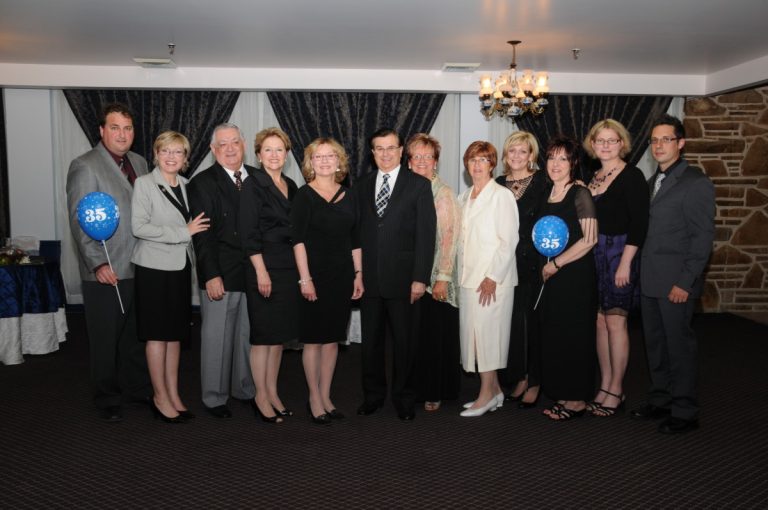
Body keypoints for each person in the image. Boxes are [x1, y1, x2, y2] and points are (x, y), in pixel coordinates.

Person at [66, 102, 152, 422]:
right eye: (114, 127)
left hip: (139, 264)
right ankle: (107, 396)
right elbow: (79, 218)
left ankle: (135, 388)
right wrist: (96, 264)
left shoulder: (140, 163)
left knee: (133, 335)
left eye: (128, 128)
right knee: (105, 337)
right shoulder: (85, 165)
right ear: (101, 131)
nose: (122, 134)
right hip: (106, 269)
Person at [631, 114, 715, 434]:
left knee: (679, 348)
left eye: (666, 139)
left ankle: (684, 411)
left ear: (681, 143)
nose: (658, 145)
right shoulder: (654, 181)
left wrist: (685, 281)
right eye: (654, 140)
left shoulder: (695, 182)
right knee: (655, 345)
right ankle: (660, 400)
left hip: (677, 284)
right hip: (651, 280)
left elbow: (702, 238)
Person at [355, 128, 436, 422]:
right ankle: (373, 396)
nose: (386, 154)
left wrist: (420, 278)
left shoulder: (418, 186)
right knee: (370, 345)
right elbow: (358, 232)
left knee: (405, 344)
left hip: (405, 279)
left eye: (391, 148)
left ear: (401, 151)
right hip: (370, 280)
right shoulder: (362, 185)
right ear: (372, 152)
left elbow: (427, 237)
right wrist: (357, 274)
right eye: (379, 148)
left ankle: (404, 399)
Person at [131, 131, 209, 423]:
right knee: (157, 335)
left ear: (186, 158)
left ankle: (174, 394)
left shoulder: (189, 186)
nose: (171, 157)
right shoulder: (144, 184)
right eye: (165, 151)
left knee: (175, 335)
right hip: (152, 269)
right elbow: (139, 227)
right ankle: (159, 396)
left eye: (178, 152)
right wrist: (183, 233)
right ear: (156, 154)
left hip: (179, 268)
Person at [292, 137, 364, 424]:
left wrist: (359, 274)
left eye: (329, 156)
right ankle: (314, 397)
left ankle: (326, 395)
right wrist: (304, 279)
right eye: (318, 157)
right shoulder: (303, 195)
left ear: (338, 162)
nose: (324, 161)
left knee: (333, 339)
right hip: (314, 277)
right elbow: (297, 242)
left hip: (342, 276)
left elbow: (355, 239)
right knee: (313, 340)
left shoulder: (350, 195)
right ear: (310, 163)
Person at [187, 123, 256, 419]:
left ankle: (244, 389)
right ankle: (214, 398)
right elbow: (201, 236)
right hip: (220, 272)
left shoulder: (257, 177)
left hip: (252, 273)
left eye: (235, 143)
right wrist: (210, 275)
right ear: (213, 150)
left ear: (243, 145)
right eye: (223, 144)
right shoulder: (202, 183)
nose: (230, 149)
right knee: (217, 337)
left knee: (246, 336)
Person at [582, 119, 650, 417]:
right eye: (600, 141)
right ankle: (605, 383)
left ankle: (617, 389)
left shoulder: (632, 176)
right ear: (593, 145)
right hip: (594, 255)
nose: (606, 145)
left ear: (622, 143)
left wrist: (625, 264)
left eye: (612, 140)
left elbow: (640, 224)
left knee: (616, 323)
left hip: (619, 255)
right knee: (599, 322)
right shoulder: (593, 176)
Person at [240, 127, 299, 424]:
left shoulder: (291, 184)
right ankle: (260, 396)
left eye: (279, 150)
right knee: (263, 337)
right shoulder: (253, 185)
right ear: (259, 155)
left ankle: (273, 392)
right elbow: (249, 235)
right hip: (263, 269)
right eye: (268, 150)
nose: (274, 155)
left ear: (287, 154)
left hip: (288, 269)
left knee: (278, 338)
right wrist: (261, 272)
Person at [456, 141, 519, 417]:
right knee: (474, 339)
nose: (477, 165)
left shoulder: (501, 195)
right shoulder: (463, 196)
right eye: (472, 160)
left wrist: (492, 276)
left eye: (483, 160)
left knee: (488, 339)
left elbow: (509, 240)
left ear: (492, 164)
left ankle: (485, 396)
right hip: (468, 279)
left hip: (492, 280)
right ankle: (494, 392)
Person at [538, 135, 598, 422]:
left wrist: (557, 264)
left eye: (563, 158)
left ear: (574, 163)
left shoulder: (579, 193)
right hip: (553, 277)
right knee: (557, 335)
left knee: (575, 335)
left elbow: (590, 239)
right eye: (552, 158)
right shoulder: (549, 192)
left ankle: (576, 400)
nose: (556, 164)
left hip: (574, 275)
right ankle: (564, 392)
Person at [406, 134, 461, 412]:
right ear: (409, 161)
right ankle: (413, 388)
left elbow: (450, 239)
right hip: (410, 276)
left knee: (434, 338)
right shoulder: (405, 190)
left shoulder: (444, 193)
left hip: (436, 280)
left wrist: (442, 277)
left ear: (436, 162)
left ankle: (435, 391)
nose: (422, 161)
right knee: (412, 338)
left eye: (427, 157)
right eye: (416, 156)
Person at [495, 131, 548, 409]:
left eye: (523, 151)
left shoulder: (542, 182)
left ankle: (535, 379)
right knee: (511, 324)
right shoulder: (498, 183)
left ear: (532, 155)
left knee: (531, 323)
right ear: (505, 155)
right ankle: (518, 376)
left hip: (532, 261)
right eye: (512, 151)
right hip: (504, 263)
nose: (516, 156)